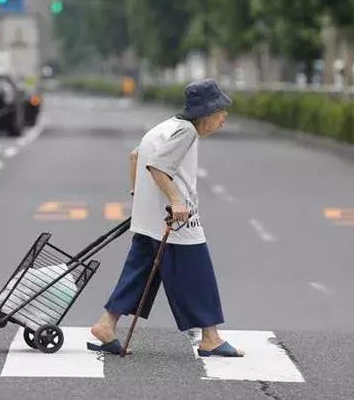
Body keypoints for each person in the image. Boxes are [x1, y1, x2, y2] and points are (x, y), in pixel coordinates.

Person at [88, 78, 244, 357]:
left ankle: (106, 325)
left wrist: (139, 197)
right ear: (206, 113)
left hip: (150, 219)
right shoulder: (186, 132)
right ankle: (210, 337)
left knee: (140, 272)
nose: (224, 118)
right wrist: (175, 200)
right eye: (221, 111)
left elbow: (135, 156)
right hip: (175, 220)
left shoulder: (164, 127)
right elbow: (157, 166)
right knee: (199, 273)